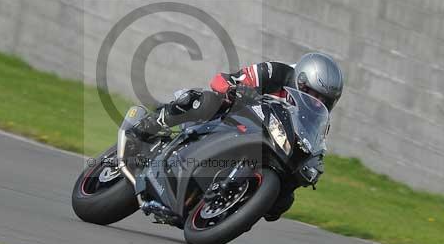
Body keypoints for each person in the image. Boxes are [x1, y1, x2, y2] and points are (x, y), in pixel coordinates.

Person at [135, 52, 344, 221]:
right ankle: (152, 123)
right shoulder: (276, 72)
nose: (314, 101)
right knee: (203, 100)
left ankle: (226, 204)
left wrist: (313, 166)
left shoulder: (318, 121)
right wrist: (238, 90)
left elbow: (314, 150)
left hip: (267, 145)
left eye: (322, 99)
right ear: (300, 80)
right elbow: (222, 81)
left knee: (285, 199)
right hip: (233, 119)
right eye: (310, 92)